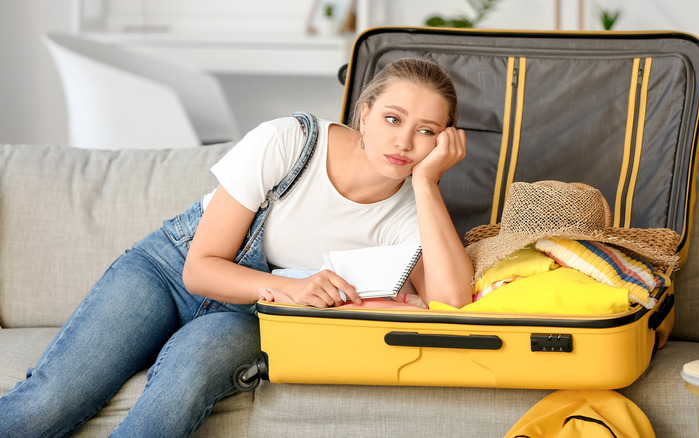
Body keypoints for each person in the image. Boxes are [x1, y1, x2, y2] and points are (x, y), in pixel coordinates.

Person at [0, 57, 474, 437]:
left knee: (177, 393)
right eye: (393, 118)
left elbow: (451, 300)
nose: (405, 141)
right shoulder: (289, 141)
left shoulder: (410, 209)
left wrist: (428, 184)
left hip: (249, 314)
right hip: (170, 272)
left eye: (427, 131)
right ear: (365, 114)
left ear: (444, 141)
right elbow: (200, 270)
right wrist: (294, 288)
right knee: (50, 401)